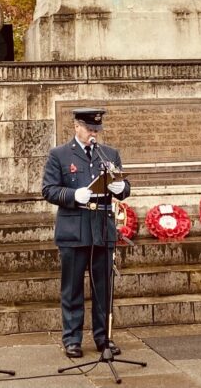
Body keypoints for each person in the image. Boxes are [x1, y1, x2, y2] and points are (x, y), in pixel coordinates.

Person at [42, 108, 130, 359]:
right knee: (72, 287)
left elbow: (124, 189)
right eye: (90, 129)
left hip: (102, 227)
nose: (94, 134)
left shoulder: (109, 154)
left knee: (103, 287)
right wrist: (72, 195)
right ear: (76, 127)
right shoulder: (59, 154)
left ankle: (103, 337)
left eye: (96, 130)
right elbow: (48, 190)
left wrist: (121, 187)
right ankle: (72, 338)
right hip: (73, 228)